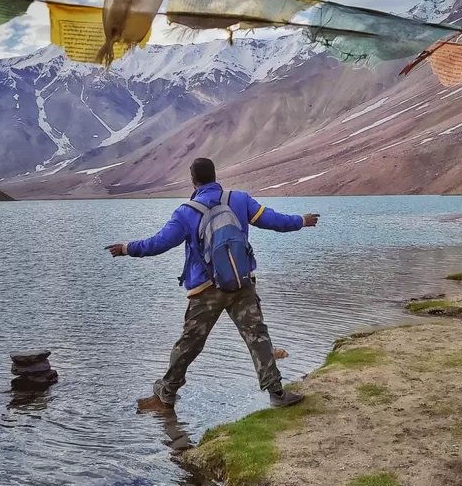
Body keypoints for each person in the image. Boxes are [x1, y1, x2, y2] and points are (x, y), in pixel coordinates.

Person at [107, 158, 320, 409]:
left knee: (190, 342)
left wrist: (127, 248)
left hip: (204, 290)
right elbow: (273, 220)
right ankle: (276, 394)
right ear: (215, 175)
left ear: (193, 180)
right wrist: (301, 221)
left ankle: (168, 390)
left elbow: (159, 243)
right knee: (257, 336)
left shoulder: (185, 212)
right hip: (241, 284)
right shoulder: (239, 200)